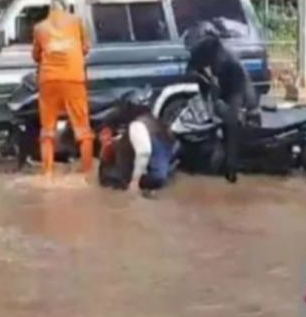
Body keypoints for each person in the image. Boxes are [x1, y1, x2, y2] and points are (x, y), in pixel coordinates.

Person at [184, 21, 258, 184]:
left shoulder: (228, 62)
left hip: (235, 88)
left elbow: (234, 92)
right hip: (221, 86)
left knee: (230, 123)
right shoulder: (204, 52)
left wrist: (218, 98)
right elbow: (191, 69)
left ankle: (231, 168)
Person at [32, 0, 94, 178]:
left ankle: (47, 174)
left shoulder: (39, 28)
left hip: (48, 81)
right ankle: (87, 173)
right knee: (83, 130)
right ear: (66, 9)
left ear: (49, 11)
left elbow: (36, 55)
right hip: (74, 79)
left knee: (47, 131)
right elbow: (86, 48)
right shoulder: (77, 21)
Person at [98, 90, 177, 195]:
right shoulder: (156, 121)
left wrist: (135, 182)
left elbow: (144, 152)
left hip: (150, 174)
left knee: (106, 174)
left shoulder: (136, 125)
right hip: (164, 168)